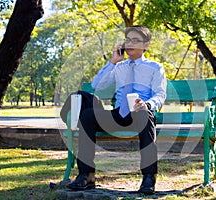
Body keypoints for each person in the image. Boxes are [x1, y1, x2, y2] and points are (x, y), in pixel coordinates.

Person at [67, 25, 167, 194]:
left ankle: (149, 177)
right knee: (88, 115)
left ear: (146, 44)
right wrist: (113, 61)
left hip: (141, 114)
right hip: (119, 114)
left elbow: (160, 94)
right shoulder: (118, 67)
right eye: (128, 40)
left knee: (143, 113)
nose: (130, 44)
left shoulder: (155, 68)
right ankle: (86, 175)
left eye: (136, 40)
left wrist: (147, 105)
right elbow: (96, 85)